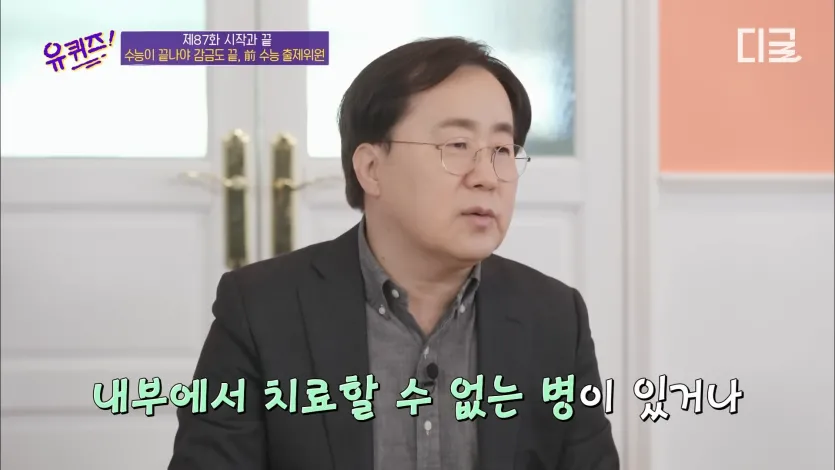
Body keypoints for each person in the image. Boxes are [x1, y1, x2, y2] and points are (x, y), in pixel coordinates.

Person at [169, 36, 619, 470]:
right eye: (457, 146)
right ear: (371, 168)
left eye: (502, 149)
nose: (487, 176)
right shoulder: (262, 310)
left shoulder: (555, 318)